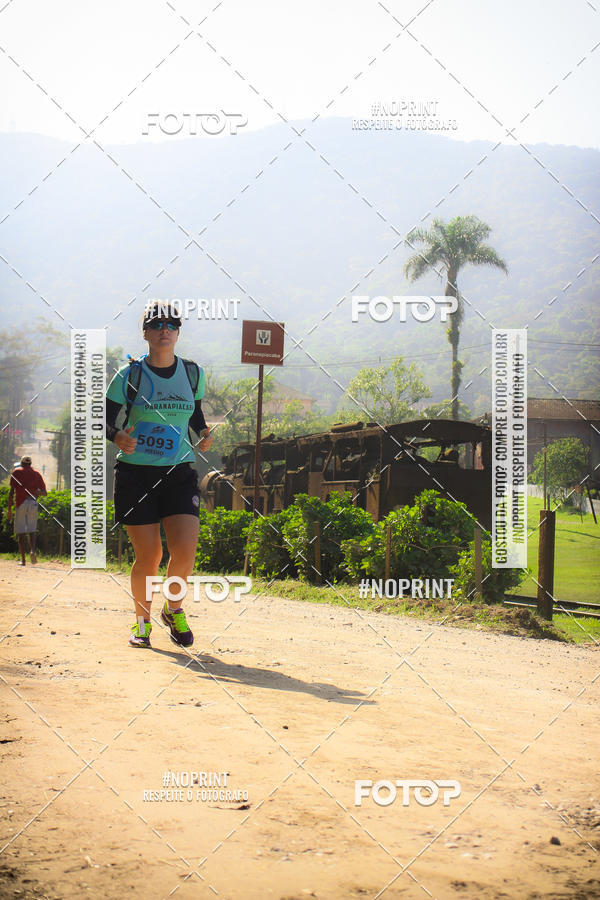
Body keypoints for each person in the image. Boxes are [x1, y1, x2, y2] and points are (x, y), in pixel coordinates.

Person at [105, 300, 213, 649]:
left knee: (185, 550)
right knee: (149, 556)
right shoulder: (131, 375)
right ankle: (142, 622)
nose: (165, 329)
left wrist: (204, 433)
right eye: (157, 324)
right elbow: (102, 418)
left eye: (171, 324)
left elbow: (194, 415)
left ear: (178, 332)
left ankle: (174, 608)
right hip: (135, 474)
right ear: (146, 333)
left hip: (179, 471)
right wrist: (118, 435)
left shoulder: (193, 373)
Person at [7, 456, 47, 565]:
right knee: (32, 530)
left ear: (22, 464)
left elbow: (11, 493)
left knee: (21, 532)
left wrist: (9, 510)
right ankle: (33, 551)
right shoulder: (37, 473)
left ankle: (23, 560)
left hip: (21, 503)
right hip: (33, 503)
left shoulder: (16, 472)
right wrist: (34, 491)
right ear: (30, 464)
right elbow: (44, 492)